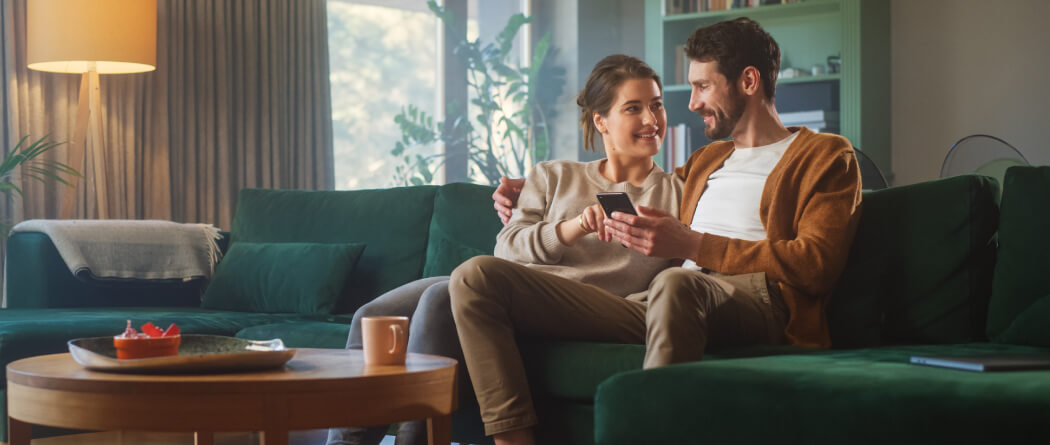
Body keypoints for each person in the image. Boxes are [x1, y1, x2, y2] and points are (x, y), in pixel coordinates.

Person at [470, 17, 862, 445]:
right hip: (660, 302)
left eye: (703, 86)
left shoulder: (825, 155)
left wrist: (692, 244)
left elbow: (816, 265)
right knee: (477, 276)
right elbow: (636, 179)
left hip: (756, 300)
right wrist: (529, 191)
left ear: (749, 80)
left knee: (676, 282)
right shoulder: (706, 161)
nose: (691, 103)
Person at [328, 54, 681, 445]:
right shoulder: (554, 174)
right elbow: (507, 249)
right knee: (373, 316)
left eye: (657, 105)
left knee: (441, 299)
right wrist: (573, 227)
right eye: (634, 108)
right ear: (601, 121)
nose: (651, 120)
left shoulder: (677, 191)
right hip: (513, 284)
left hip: (586, 303)